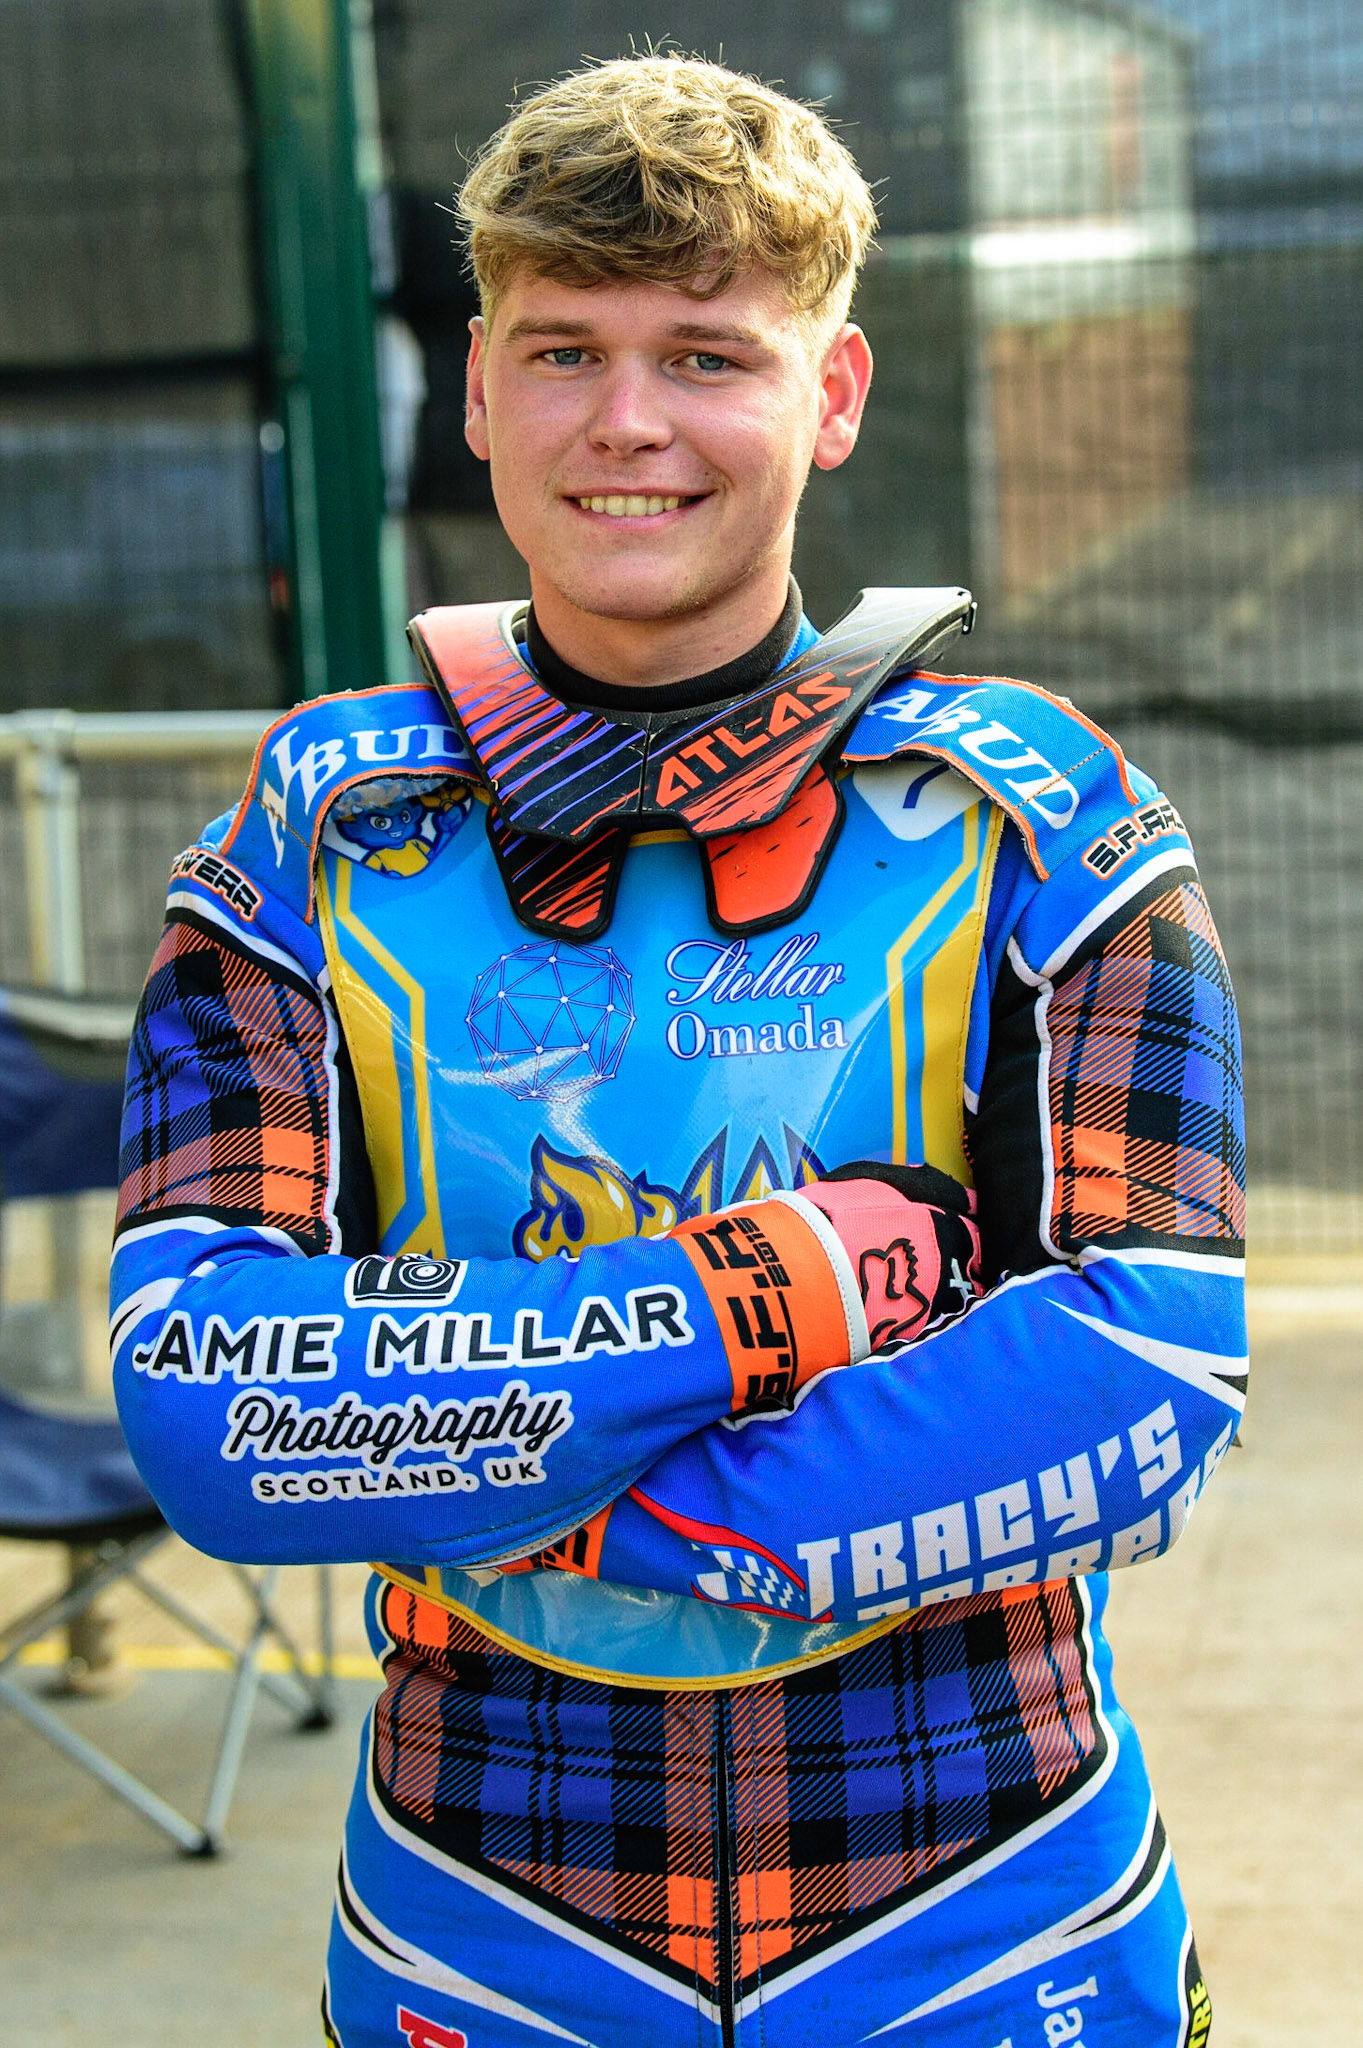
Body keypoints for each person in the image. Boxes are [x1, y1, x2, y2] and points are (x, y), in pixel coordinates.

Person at [112, 54, 1240, 2048]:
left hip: (992, 1892)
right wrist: (770, 1292)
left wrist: (519, 1483)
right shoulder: (313, 828)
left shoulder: (1035, 808)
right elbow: (206, 1401)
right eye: (561, 350)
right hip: (485, 1912)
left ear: (833, 392)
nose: (626, 422)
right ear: (475, 394)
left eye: (706, 355)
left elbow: (1143, 1364)